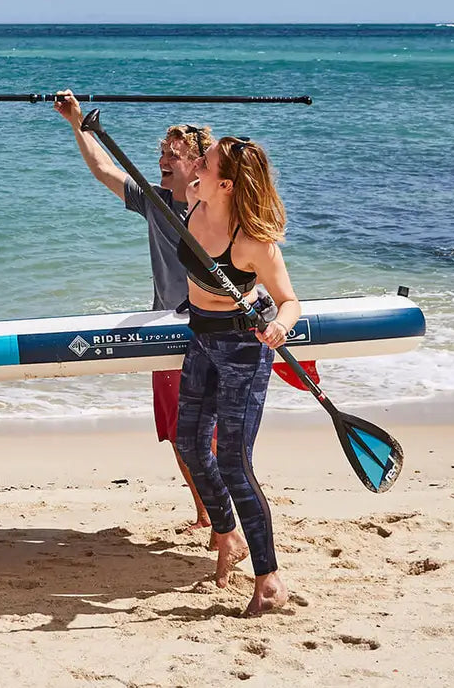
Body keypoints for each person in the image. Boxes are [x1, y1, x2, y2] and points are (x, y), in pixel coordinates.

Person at [54, 92, 215, 530]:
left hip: (209, 330)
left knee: (209, 433)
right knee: (178, 432)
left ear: (199, 164)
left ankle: (222, 517)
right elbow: (103, 169)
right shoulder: (152, 199)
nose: (164, 160)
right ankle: (205, 513)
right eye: (162, 153)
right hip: (164, 328)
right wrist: (75, 123)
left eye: (175, 155)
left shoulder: (214, 209)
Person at [175, 136, 301, 616]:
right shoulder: (192, 203)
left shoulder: (251, 242)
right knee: (188, 441)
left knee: (234, 462)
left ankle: (269, 578)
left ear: (225, 184)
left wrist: (279, 327)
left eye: (203, 165)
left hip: (245, 347)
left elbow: (290, 301)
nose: (194, 170)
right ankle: (227, 535)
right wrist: (82, 125)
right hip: (202, 338)